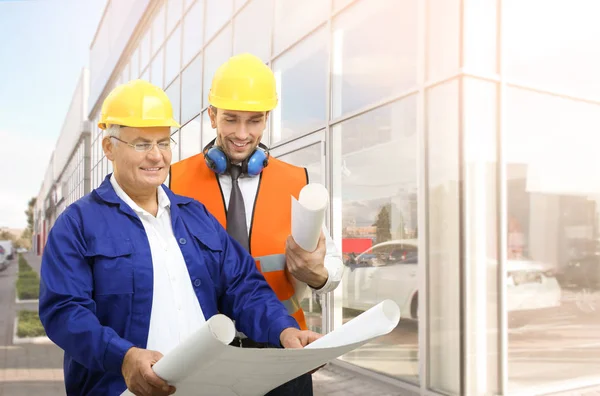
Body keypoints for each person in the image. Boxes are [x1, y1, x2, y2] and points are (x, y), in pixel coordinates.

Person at [38, 79, 321, 396]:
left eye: (164, 142)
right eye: (142, 144)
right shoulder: (76, 225)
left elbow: (243, 286)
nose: (157, 157)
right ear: (109, 147)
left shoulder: (195, 216)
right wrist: (124, 357)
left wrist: (283, 330)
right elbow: (64, 312)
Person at [169, 53, 344, 396]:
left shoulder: (297, 183)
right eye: (231, 119)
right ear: (212, 116)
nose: (242, 134)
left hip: (283, 355)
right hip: (203, 356)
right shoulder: (173, 181)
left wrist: (319, 275)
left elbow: (333, 266)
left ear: (266, 120)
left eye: (254, 121)